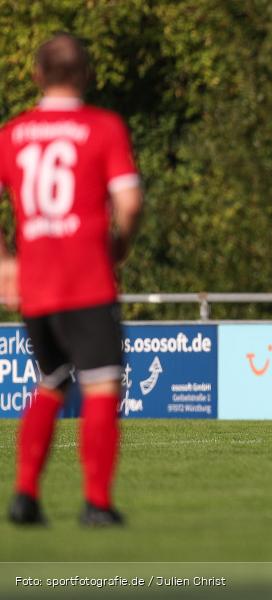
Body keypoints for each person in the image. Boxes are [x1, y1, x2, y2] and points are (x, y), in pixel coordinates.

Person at [0, 33, 143, 526]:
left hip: (36, 284)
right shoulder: (103, 127)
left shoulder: (13, 133)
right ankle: (96, 503)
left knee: (51, 380)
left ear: (36, 75)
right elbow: (130, 202)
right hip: (87, 279)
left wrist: (5, 261)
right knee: (101, 386)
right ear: (86, 75)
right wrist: (121, 242)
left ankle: (24, 496)